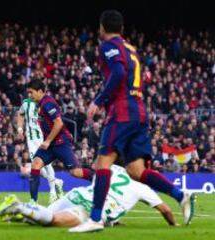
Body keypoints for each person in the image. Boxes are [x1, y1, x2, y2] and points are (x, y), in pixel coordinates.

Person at [70, 10, 194, 232]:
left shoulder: (107, 46)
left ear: (102, 28)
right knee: (136, 171)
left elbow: (117, 72)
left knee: (103, 163)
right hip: (138, 111)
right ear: (122, 29)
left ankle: (96, 218)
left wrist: (98, 101)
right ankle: (180, 195)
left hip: (122, 112)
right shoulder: (131, 49)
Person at [0, 165, 177, 227]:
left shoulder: (115, 169)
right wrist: (174, 225)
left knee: (40, 218)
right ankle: (19, 206)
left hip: (78, 194)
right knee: (51, 221)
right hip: (90, 208)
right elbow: (166, 210)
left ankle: (18, 212)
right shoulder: (144, 189)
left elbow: (93, 176)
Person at [26, 79, 94, 202]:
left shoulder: (48, 103)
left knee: (75, 172)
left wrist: (47, 141)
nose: (29, 96)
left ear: (40, 91)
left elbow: (58, 123)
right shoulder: (40, 103)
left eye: (31, 93)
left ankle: (100, 179)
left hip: (60, 143)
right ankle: (33, 202)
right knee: (36, 165)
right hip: (51, 144)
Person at [16, 97, 63, 203]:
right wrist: (20, 129)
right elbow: (20, 113)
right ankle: (56, 182)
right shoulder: (26, 103)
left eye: (32, 91)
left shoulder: (46, 103)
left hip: (44, 137)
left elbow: (56, 120)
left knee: (47, 164)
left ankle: (52, 192)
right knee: (36, 166)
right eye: (29, 92)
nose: (30, 94)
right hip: (32, 140)